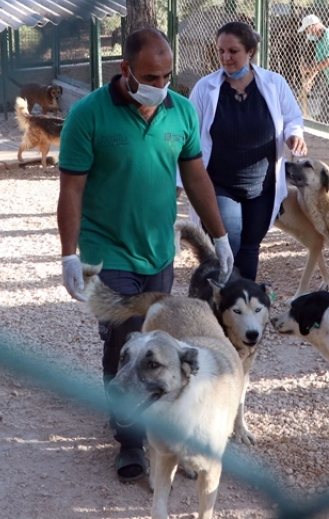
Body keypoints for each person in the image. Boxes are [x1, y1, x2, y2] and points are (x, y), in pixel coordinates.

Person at [55, 27, 232, 484]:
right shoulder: (89, 115)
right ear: (126, 71)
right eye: (151, 75)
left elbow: (197, 179)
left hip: (158, 250)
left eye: (168, 74)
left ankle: (166, 429)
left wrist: (220, 237)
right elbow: (71, 190)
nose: (161, 84)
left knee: (158, 345)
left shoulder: (182, 111)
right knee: (125, 340)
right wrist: (68, 255)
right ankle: (130, 442)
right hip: (104, 251)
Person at [186, 21, 306, 280]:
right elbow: (190, 135)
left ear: (250, 51)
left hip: (262, 185)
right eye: (220, 51)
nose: (225, 57)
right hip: (218, 183)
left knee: (251, 247)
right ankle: (223, 304)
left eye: (233, 51)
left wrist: (294, 135)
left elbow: (292, 117)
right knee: (229, 241)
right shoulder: (205, 89)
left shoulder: (274, 83)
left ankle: (243, 309)